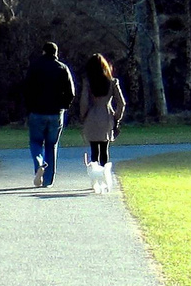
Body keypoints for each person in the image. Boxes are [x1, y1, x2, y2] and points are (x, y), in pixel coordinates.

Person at [22, 41, 75, 188]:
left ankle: (39, 164)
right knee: (52, 145)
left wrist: (29, 107)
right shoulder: (63, 68)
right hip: (55, 113)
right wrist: (64, 106)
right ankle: (48, 180)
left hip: (37, 112)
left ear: (43, 51)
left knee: (35, 142)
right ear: (56, 53)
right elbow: (71, 93)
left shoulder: (34, 67)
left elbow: (26, 89)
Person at [79, 53, 126, 191]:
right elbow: (122, 103)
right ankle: (106, 178)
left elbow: (84, 102)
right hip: (106, 116)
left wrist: (83, 116)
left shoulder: (88, 83)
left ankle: (95, 181)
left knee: (94, 150)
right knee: (104, 150)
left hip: (92, 117)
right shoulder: (112, 82)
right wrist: (117, 117)